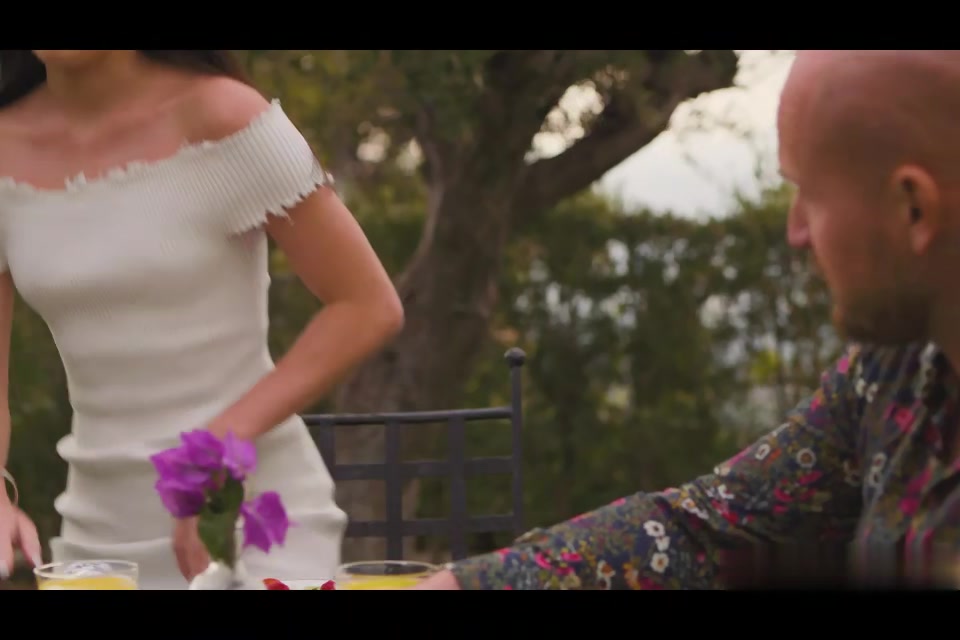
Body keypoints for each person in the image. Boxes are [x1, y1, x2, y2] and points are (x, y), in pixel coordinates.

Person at [414, 50, 960, 590]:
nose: (796, 233)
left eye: (811, 197)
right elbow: (714, 529)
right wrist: (465, 584)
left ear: (913, 208)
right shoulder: (899, 370)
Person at [0, 50, 405, 589]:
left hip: (249, 526)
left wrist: (216, 445)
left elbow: (367, 305)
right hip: (100, 545)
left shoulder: (226, 115)